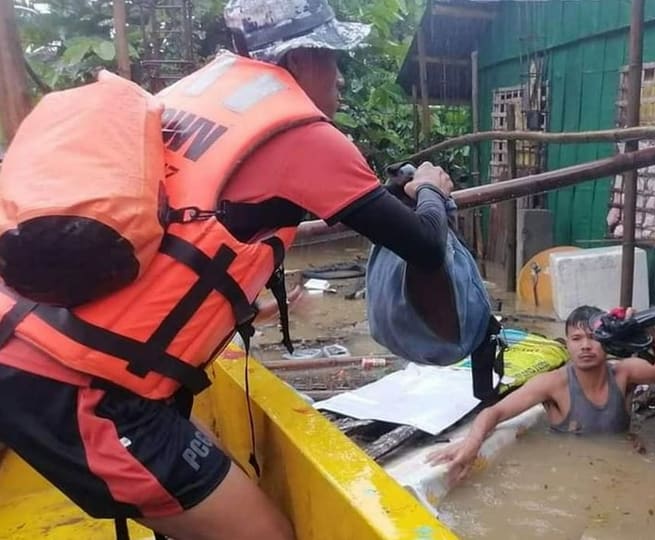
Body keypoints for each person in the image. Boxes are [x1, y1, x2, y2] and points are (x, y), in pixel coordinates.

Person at [0, 1, 460, 539]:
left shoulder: (190, 100)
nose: (338, 77)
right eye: (334, 58)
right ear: (303, 56)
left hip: (22, 337)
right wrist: (431, 188)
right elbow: (426, 246)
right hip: (84, 388)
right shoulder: (303, 137)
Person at [427, 305, 655, 484]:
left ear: (607, 340)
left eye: (594, 338)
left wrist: (645, 329)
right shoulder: (553, 384)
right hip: (569, 472)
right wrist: (472, 443)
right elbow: (495, 412)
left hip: (621, 469)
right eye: (576, 338)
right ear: (567, 343)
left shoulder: (623, 373)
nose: (585, 345)